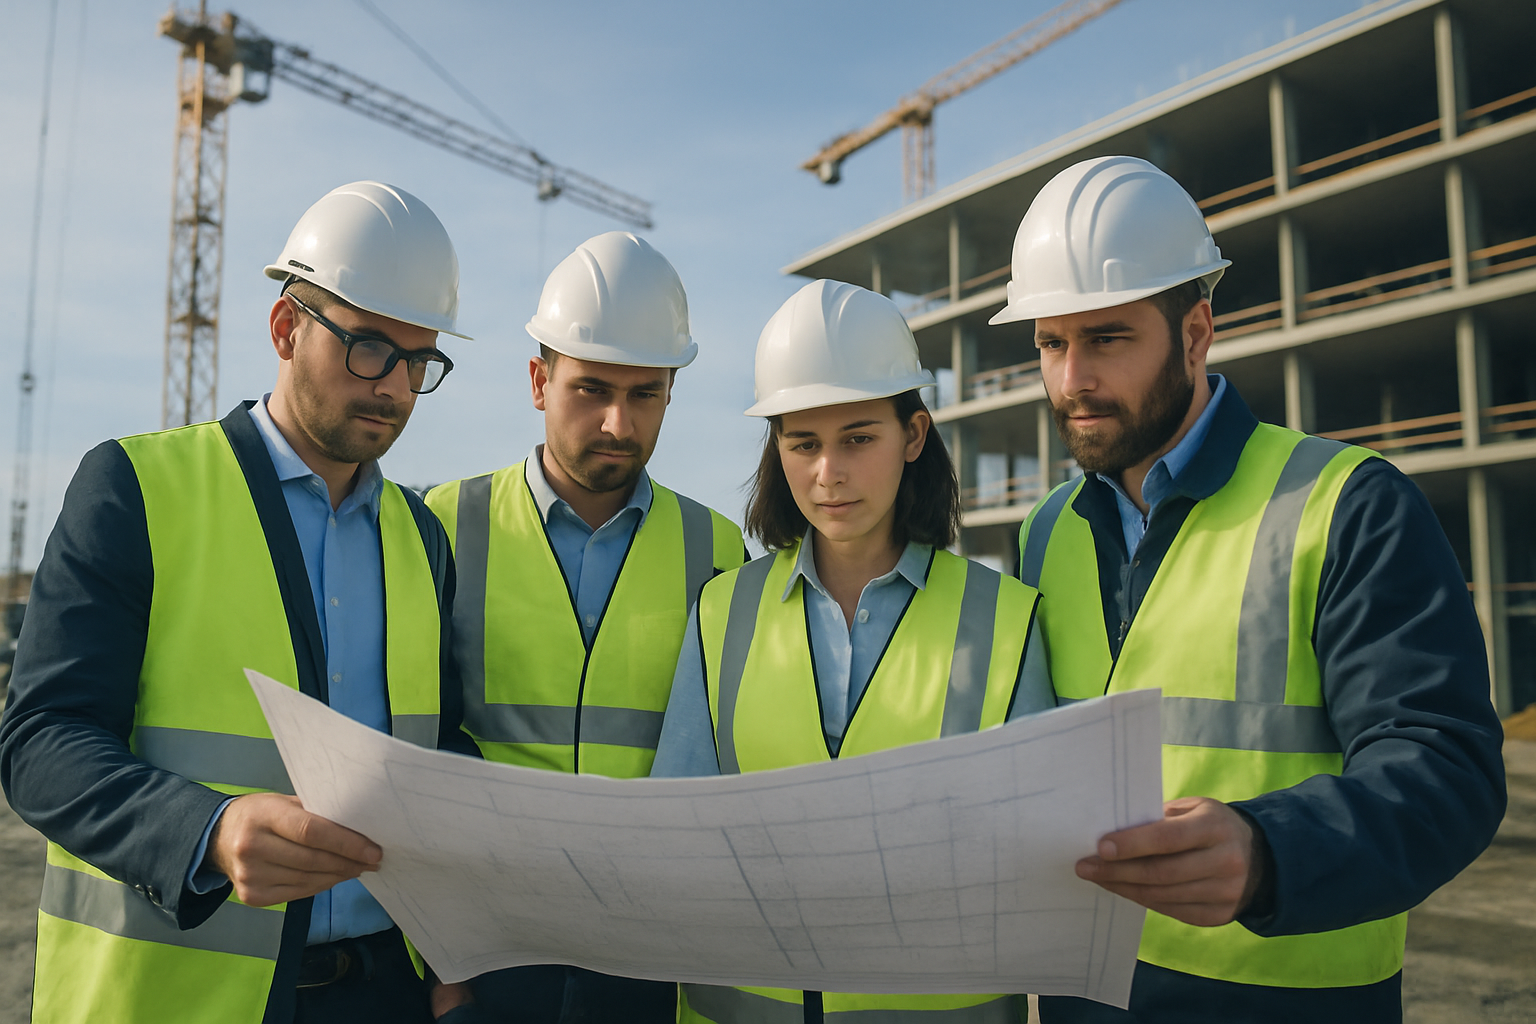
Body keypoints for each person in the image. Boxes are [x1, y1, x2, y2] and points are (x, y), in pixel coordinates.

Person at [991, 156, 1507, 1022]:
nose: (1072, 379)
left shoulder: (1348, 503)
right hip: (1089, 993)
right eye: (1051, 343)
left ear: (1195, 334)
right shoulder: (1047, 530)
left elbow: (1447, 768)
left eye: (1107, 337)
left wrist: (1270, 851)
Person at [0, 181, 482, 1024]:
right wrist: (206, 831)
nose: (394, 387)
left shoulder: (421, 536)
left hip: (383, 992)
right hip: (175, 997)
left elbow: (430, 753)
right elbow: (40, 743)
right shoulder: (137, 488)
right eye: (368, 347)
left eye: (418, 360)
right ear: (286, 328)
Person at [651, 278, 1055, 1024]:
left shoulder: (1005, 619)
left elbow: (1034, 854)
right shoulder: (720, 613)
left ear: (914, 436)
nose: (827, 473)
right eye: (802, 443)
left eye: (858, 439)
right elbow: (680, 838)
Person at [424, 231, 745, 1023]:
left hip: (645, 957)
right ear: (539, 380)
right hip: (482, 952)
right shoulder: (439, 524)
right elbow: (411, 747)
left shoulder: (719, 549)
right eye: (590, 389)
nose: (616, 422)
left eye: (645, 394)